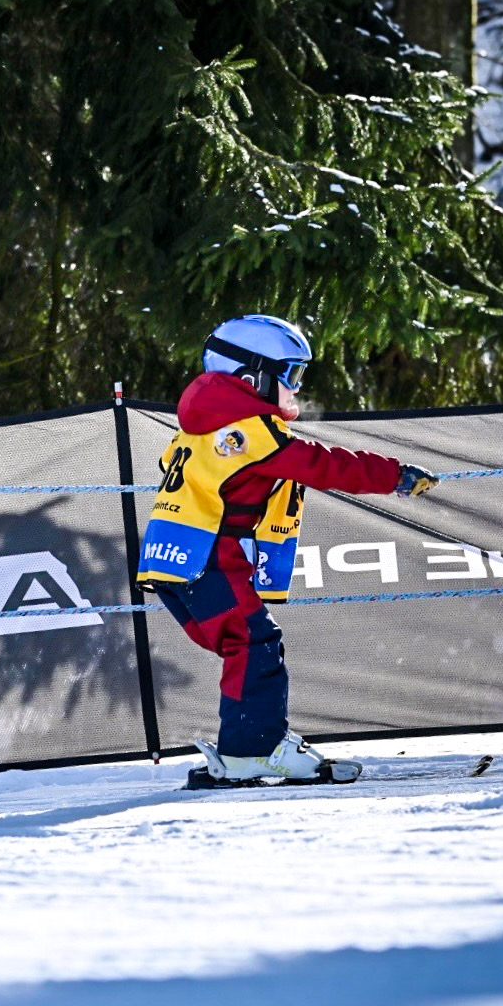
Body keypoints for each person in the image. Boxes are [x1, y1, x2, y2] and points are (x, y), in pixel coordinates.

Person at [136, 315, 438, 781]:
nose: (296, 389)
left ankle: (248, 747)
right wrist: (393, 476)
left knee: (248, 646)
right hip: (209, 560)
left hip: (172, 562)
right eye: (291, 375)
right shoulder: (247, 431)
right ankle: (254, 751)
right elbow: (319, 465)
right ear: (252, 378)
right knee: (257, 644)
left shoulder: (198, 428)